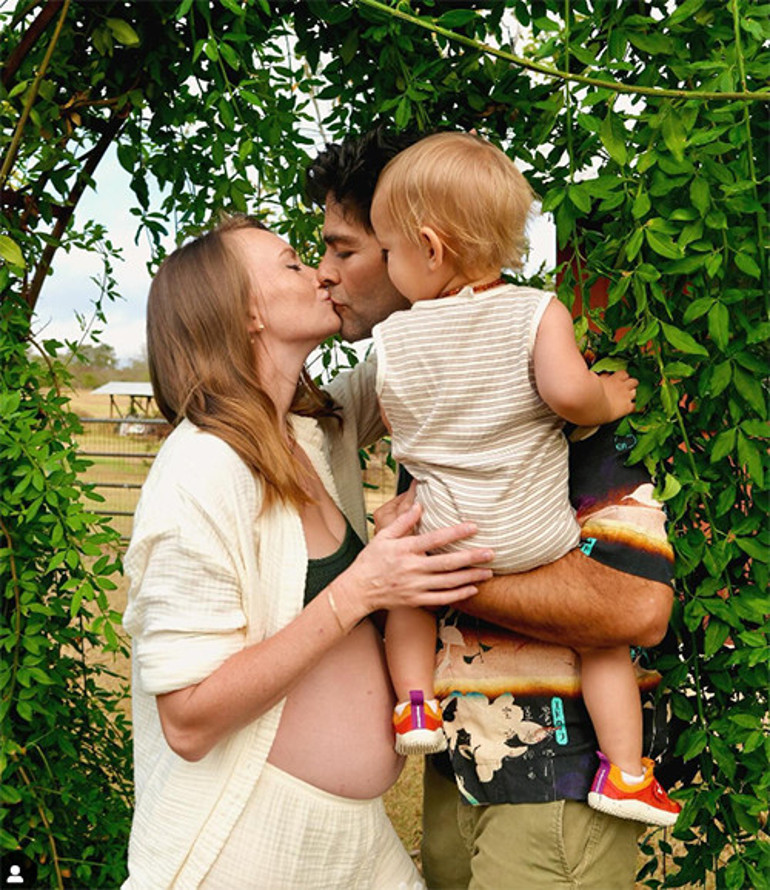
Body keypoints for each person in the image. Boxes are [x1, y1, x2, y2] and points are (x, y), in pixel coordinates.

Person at [307, 128, 677, 889]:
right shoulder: (425, 375)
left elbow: (635, 609)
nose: (325, 274)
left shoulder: (560, 391)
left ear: (418, 249)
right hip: (461, 762)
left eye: (349, 249)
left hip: (557, 779)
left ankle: (628, 769)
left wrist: (420, 572)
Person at [121, 214, 497, 889]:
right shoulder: (202, 469)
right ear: (245, 315)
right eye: (292, 264)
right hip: (248, 848)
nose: (320, 273)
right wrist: (360, 589)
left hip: (352, 847)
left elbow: (435, 335)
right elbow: (186, 717)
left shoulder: (308, 437)